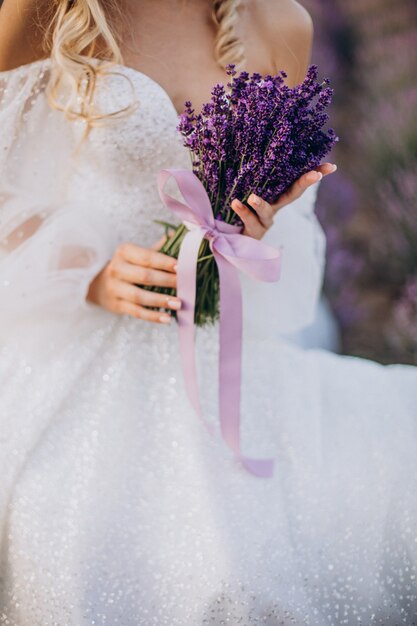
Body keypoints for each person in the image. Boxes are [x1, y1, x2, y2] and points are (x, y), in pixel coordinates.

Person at [0, 1, 416, 624]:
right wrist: (87, 273)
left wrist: (258, 229)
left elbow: (291, 264)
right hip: (77, 351)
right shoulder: (47, 11)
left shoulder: (281, 24)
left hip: (221, 355)